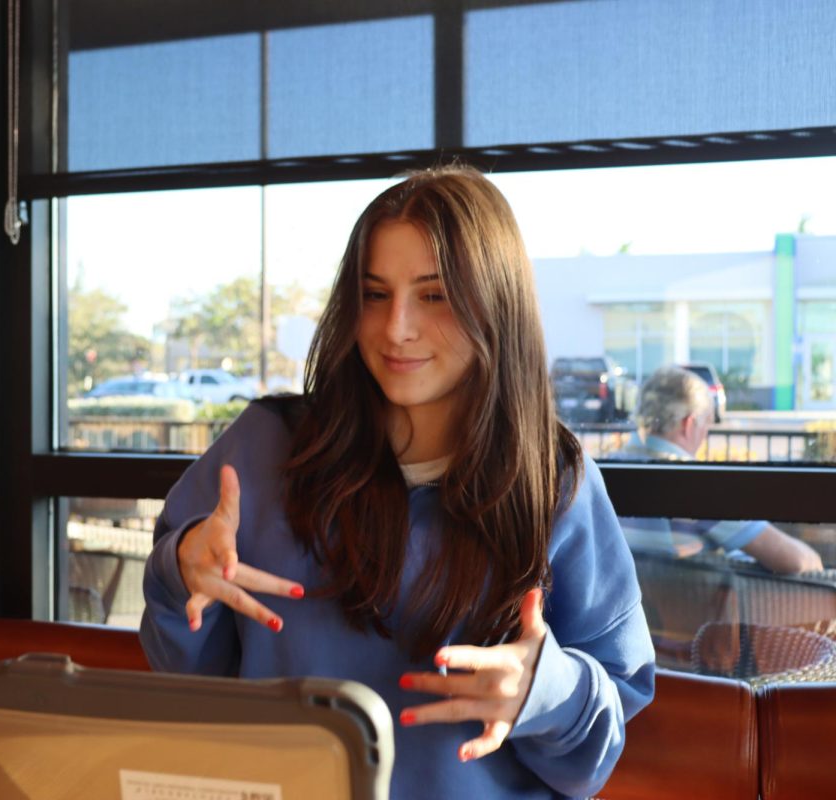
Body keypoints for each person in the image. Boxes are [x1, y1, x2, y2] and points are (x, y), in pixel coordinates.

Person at [140, 167, 655, 799]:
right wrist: (183, 571)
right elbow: (183, 672)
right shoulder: (263, 448)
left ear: (496, 305)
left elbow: (604, 733)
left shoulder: (555, 483)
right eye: (375, 294)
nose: (395, 328)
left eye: (434, 295)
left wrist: (544, 691)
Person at [617, 365, 823, 574]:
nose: (705, 434)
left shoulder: (606, 472)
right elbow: (798, 562)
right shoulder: (697, 486)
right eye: (706, 423)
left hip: (628, 604)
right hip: (688, 605)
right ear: (689, 424)